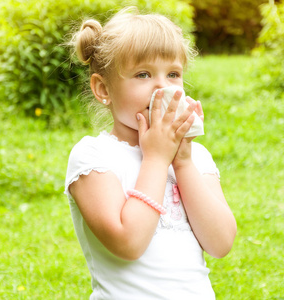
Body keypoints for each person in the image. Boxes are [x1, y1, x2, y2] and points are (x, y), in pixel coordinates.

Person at [64, 7, 237, 300]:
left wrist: (181, 163)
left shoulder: (196, 158)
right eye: (143, 74)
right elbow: (128, 243)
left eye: (173, 74)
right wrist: (157, 159)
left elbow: (220, 243)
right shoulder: (94, 156)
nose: (162, 86)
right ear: (103, 88)